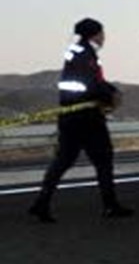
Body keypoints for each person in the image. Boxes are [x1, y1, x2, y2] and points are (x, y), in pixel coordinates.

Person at [29, 18, 133, 222]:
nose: (104, 37)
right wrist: (111, 94)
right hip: (86, 118)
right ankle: (110, 206)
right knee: (103, 160)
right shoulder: (86, 55)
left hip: (70, 116)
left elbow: (90, 81)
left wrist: (109, 89)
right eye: (102, 33)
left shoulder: (78, 52)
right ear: (95, 34)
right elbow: (92, 84)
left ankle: (41, 203)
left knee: (63, 160)